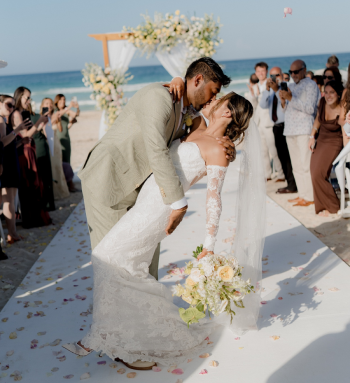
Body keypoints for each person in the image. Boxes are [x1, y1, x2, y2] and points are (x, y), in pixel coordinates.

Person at [64, 91, 264, 370]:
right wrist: (179, 82)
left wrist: (209, 244)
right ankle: (122, 335)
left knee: (108, 256)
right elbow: (183, 105)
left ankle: (105, 338)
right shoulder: (198, 127)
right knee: (126, 266)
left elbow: (213, 200)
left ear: (227, 112)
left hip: (159, 211)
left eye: (219, 100)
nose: (212, 101)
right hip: (145, 200)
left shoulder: (218, 149)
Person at [78, 58, 234, 282]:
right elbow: (157, 149)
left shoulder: (188, 110)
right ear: (198, 80)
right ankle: (119, 316)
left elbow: (202, 137)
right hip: (109, 180)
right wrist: (178, 203)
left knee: (144, 259)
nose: (215, 98)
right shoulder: (159, 97)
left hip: (144, 192)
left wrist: (225, 143)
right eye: (214, 91)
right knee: (112, 261)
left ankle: (144, 314)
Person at [279, 59, 320, 207]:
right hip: (290, 129)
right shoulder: (290, 86)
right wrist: (284, 101)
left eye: (296, 71)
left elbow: (310, 109)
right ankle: (302, 195)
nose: (293, 74)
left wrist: (291, 98)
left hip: (304, 129)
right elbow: (286, 110)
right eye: (291, 72)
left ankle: (309, 196)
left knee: (305, 164)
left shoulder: (311, 85)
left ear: (304, 69)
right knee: (296, 165)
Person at [11, 87, 52, 228]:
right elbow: (26, 134)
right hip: (24, 151)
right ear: (19, 97)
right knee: (29, 184)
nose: (29, 101)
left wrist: (40, 125)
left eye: (30, 98)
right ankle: (31, 219)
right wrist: (39, 121)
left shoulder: (23, 112)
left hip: (29, 149)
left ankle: (35, 217)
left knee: (34, 184)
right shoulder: (16, 113)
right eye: (26, 98)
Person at [309, 81, 345, 216]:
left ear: (338, 94)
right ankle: (322, 206)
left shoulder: (342, 107)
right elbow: (318, 118)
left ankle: (333, 206)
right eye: (326, 92)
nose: (328, 95)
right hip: (321, 139)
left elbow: (344, 128)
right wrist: (312, 136)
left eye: (332, 92)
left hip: (334, 142)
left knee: (320, 173)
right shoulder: (322, 102)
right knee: (313, 173)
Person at [260, 68, 297, 194]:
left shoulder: (286, 87)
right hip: (276, 126)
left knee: (289, 157)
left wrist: (276, 90)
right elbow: (262, 105)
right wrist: (267, 89)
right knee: (281, 156)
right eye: (272, 75)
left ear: (281, 75)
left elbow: (284, 106)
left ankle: (293, 184)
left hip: (287, 125)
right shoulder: (270, 92)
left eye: (277, 75)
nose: (274, 77)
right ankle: (289, 183)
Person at [0, 95, 30, 243]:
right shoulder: (0, 120)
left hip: (10, 161)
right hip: (6, 164)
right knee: (8, 200)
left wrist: (19, 143)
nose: (11, 109)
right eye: (8, 105)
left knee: (9, 199)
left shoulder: (4, 120)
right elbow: (2, 143)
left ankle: (12, 233)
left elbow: (8, 146)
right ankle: (12, 234)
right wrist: (17, 130)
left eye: (12, 106)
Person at [253, 62, 284, 181]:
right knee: (263, 151)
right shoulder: (255, 86)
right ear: (255, 73)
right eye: (258, 71)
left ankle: (281, 174)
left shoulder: (271, 84)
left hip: (269, 122)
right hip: (259, 122)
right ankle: (267, 174)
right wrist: (252, 95)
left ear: (266, 71)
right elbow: (255, 106)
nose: (260, 73)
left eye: (263, 71)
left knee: (274, 150)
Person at [40, 98, 70, 200]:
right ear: (42, 105)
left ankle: (60, 191)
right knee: (51, 167)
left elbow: (60, 129)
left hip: (56, 143)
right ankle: (53, 193)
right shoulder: (42, 117)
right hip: (48, 144)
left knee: (58, 166)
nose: (49, 105)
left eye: (51, 104)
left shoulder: (54, 115)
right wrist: (52, 119)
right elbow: (43, 131)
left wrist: (58, 121)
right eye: (46, 103)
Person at [32, 104, 55, 211]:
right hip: (31, 147)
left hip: (40, 146)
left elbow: (47, 134)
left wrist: (44, 124)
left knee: (45, 176)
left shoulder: (38, 116)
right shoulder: (22, 115)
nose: (29, 101)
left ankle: (48, 204)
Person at [53, 94, 80, 165]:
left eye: (64, 99)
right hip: (58, 137)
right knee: (60, 159)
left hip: (67, 137)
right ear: (57, 100)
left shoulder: (66, 110)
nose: (63, 101)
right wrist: (69, 107)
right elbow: (58, 115)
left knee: (67, 159)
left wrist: (77, 108)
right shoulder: (55, 111)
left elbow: (76, 115)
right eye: (61, 99)